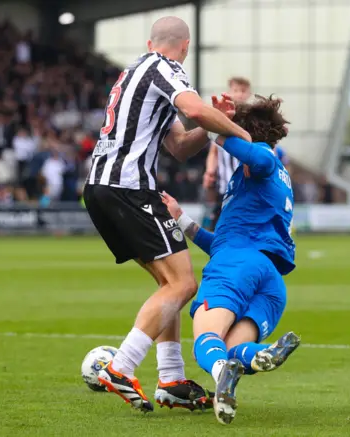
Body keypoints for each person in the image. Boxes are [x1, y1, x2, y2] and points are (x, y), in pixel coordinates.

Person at [84, 16, 251, 413]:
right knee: (183, 283)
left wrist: (212, 127)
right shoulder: (164, 66)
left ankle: (172, 379)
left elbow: (178, 144)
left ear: (149, 40)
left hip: (102, 188)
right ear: (185, 46)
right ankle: (121, 367)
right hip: (129, 189)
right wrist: (240, 132)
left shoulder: (133, 73)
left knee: (170, 283)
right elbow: (193, 107)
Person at [163, 95, 300, 425]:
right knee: (233, 351)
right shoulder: (279, 181)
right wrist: (182, 219)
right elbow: (223, 244)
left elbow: (259, 157)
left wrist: (215, 127)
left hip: (237, 267)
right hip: (268, 279)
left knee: (206, 341)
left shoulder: (264, 162)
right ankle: (260, 354)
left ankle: (223, 373)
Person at [203, 77, 253, 230]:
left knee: (247, 228)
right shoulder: (221, 119)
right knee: (219, 229)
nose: (239, 95)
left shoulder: (253, 120)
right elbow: (214, 151)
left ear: (249, 94)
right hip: (224, 187)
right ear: (229, 92)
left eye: (243, 91)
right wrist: (209, 171)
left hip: (248, 185)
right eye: (236, 90)